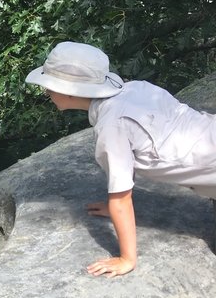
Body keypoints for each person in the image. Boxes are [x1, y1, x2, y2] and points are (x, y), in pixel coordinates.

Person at [26, 41, 216, 278]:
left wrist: (126, 259)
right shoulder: (136, 88)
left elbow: (121, 197)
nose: (46, 93)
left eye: (49, 87)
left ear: (69, 90)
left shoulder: (111, 126)